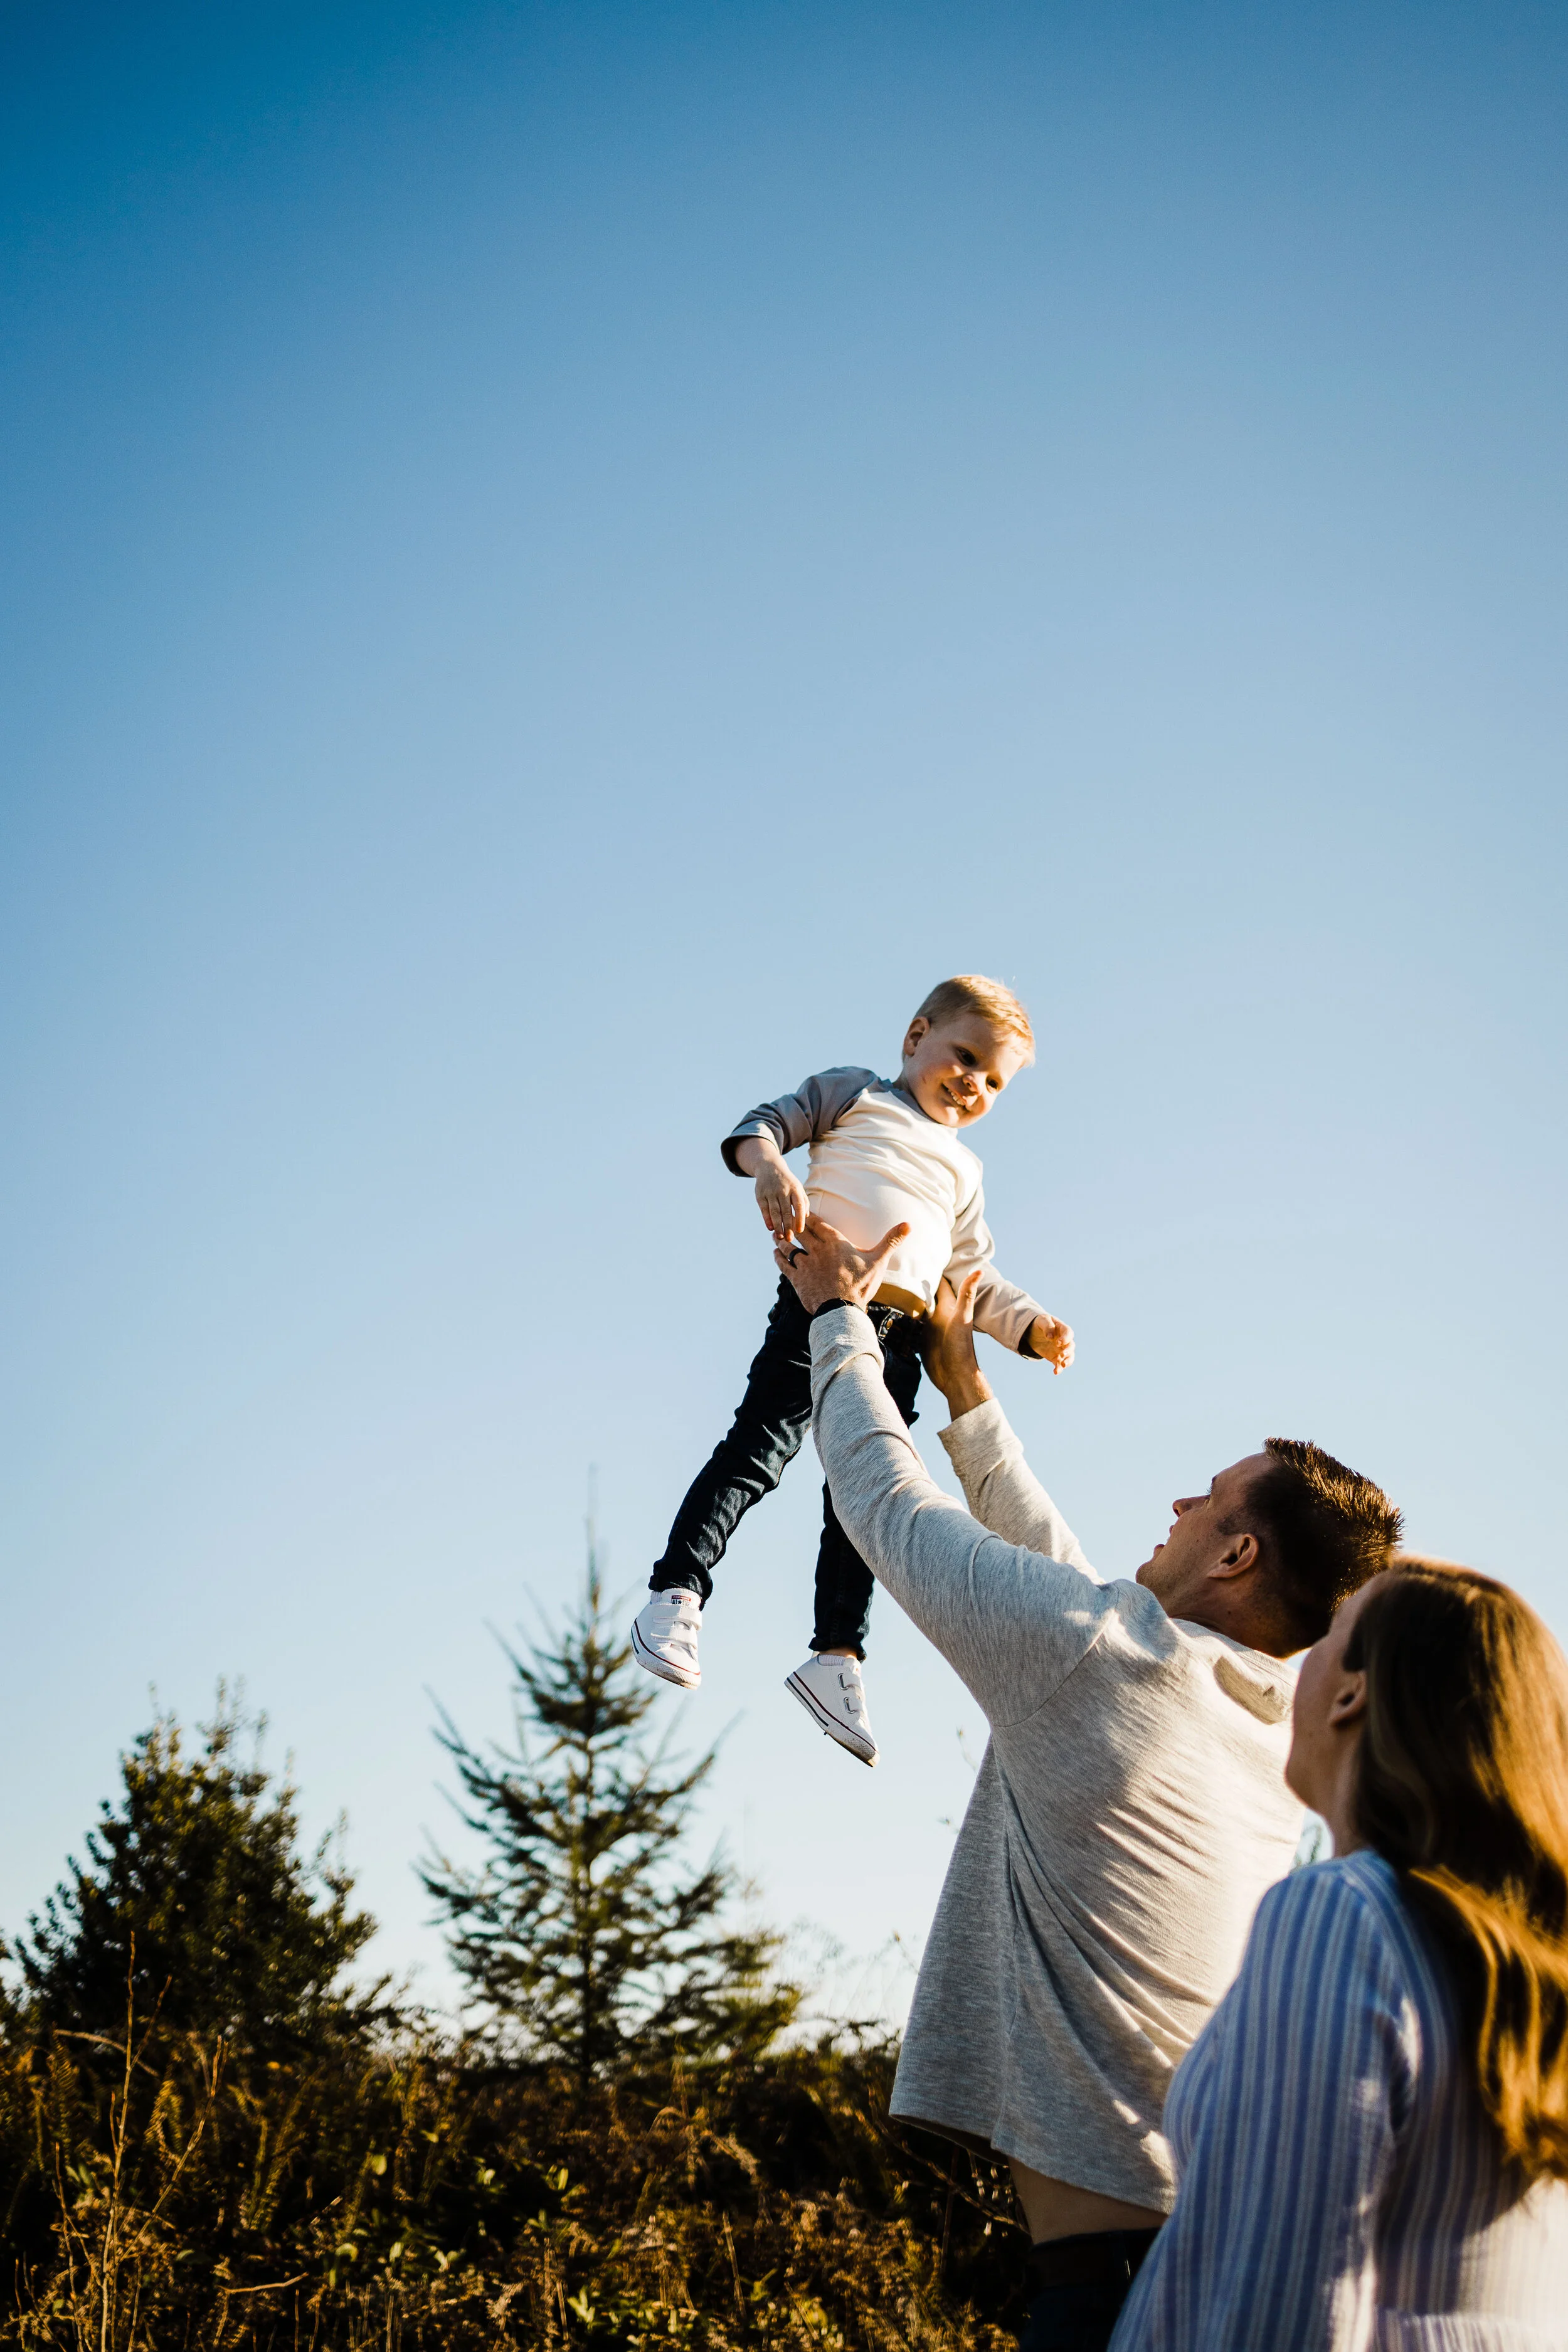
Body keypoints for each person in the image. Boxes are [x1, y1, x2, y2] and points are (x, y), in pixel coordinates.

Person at [774, 1214, 1402, 2352]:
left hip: (1121, 2287)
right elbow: (1063, 1590)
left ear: (1235, 1555)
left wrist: (836, 1321)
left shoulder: (1103, 1658)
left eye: (1207, 1500)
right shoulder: (1253, 1721)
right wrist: (969, 1397)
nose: (1177, 1505)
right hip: (1236, 2251)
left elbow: (884, 1506)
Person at [1108, 1559, 1568, 2350]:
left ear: (1353, 1692)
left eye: (1329, 1634)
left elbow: (1279, 2310)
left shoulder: (1339, 1915)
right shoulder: (1532, 1966)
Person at [630, 974, 1074, 1767]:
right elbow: (757, 1125)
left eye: (994, 1080)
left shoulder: (965, 1175)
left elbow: (973, 1279)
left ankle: (836, 1658)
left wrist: (1029, 1327)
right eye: (965, 1056)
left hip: (899, 1338)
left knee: (863, 1498)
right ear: (916, 1037)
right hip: (818, 1303)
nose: (974, 1083)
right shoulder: (855, 1095)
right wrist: (770, 1168)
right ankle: (677, 1593)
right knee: (758, 1451)